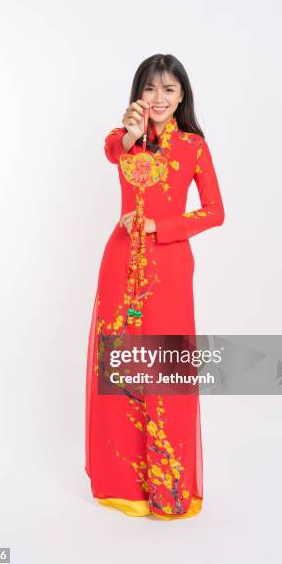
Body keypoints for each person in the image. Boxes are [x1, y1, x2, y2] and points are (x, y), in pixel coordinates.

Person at [85, 54, 225, 519]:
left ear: (182, 95)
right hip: (121, 266)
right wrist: (129, 132)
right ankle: (123, 487)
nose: (159, 98)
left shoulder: (194, 148)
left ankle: (168, 490)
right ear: (138, 94)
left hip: (168, 267)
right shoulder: (123, 141)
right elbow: (111, 151)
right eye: (150, 89)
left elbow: (213, 212)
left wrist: (157, 227)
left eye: (168, 89)